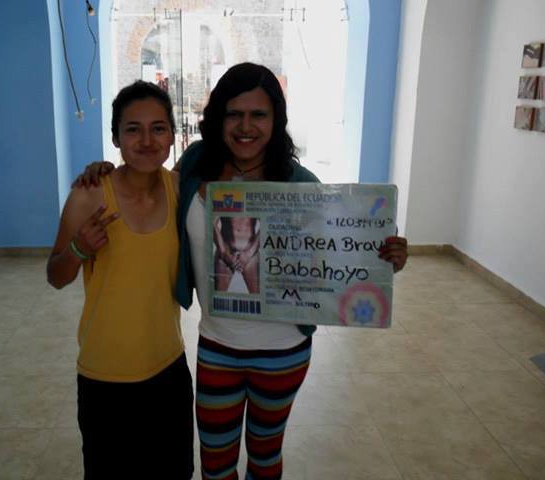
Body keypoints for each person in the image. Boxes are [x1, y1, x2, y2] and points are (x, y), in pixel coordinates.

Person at [75, 62, 408, 480]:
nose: (245, 126)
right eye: (234, 114)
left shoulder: (302, 185)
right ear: (218, 117)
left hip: (284, 351)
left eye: (258, 115)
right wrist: (105, 169)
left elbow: (339, 250)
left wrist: (383, 253)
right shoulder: (195, 164)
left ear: (276, 120)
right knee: (215, 465)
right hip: (218, 346)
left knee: (265, 458)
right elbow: (147, 182)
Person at [46, 80, 193, 479]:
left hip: (169, 367)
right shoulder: (90, 195)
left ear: (172, 135)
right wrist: (78, 249)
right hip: (104, 376)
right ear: (115, 138)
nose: (146, 140)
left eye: (158, 128)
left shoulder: (180, 191)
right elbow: (55, 276)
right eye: (133, 129)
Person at [213, 216, 260, 293]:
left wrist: (249, 253)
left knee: (257, 296)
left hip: (250, 253)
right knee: (217, 294)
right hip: (225, 252)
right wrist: (224, 253)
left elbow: (266, 223)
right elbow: (212, 222)